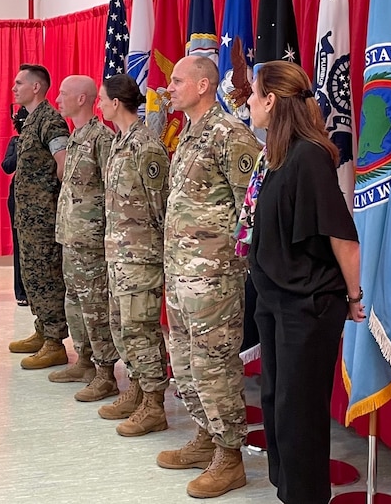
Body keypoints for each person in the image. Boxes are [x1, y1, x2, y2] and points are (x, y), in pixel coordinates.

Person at [245, 60, 365, 504]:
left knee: (299, 414)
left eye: (254, 94)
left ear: (273, 100)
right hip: (275, 299)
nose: (249, 102)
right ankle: (288, 492)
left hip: (307, 305)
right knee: (277, 402)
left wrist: (355, 297)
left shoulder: (308, 156)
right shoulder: (278, 154)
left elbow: (342, 237)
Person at [159, 56, 261, 498]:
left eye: (178, 80)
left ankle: (229, 455)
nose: (169, 86)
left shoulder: (230, 135)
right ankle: (204, 436)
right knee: (184, 362)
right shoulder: (187, 135)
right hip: (181, 273)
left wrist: (235, 262)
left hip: (214, 277)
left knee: (213, 364)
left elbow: (253, 206)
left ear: (204, 85)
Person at [96, 74, 171, 437]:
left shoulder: (146, 147)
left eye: (101, 99)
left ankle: (155, 404)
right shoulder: (118, 143)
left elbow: (161, 209)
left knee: (140, 329)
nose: (99, 104)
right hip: (117, 255)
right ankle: (138, 391)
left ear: (115, 103)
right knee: (121, 327)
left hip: (140, 257)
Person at [51, 75, 118, 399]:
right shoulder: (75, 137)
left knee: (95, 307)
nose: (57, 99)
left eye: (63, 94)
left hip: (91, 241)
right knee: (74, 303)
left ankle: (106, 372)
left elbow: (111, 191)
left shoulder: (101, 139)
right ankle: (84, 360)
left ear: (82, 98)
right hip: (71, 236)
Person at [6, 63, 71, 370]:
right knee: (32, 276)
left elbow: (63, 163)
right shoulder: (30, 121)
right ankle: (42, 329)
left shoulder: (50, 120)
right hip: (28, 217)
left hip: (43, 218)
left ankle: (55, 342)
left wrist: (51, 201)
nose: (14, 88)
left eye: (19, 83)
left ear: (36, 87)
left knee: (47, 277)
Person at [1, 106, 29, 307]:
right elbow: (6, 166)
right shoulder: (15, 142)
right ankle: (21, 291)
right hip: (18, 196)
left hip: (42, 198)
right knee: (19, 242)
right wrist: (22, 148)